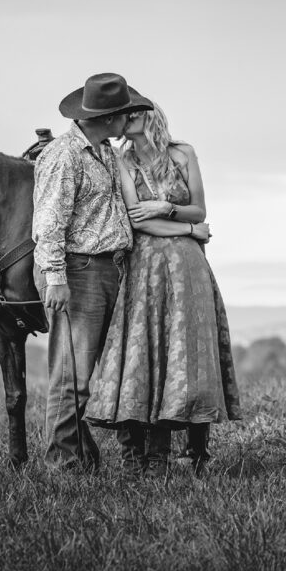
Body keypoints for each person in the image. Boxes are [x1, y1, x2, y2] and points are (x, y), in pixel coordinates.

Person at [86, 101, 241, 478]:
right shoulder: (123, 160)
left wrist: (164, 207)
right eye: (125, 115)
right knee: (144, 350)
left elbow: (199, 209)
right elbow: (137, 221)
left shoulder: (183, 153)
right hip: (146, 263)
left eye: (135, 113)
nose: (127, 119)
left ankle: (182, 450)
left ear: (150, 116)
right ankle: (140, 454)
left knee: (184, 352)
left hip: (188, 266)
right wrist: (187, 229)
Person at [32, 72, 153, 470]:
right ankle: (63, 466)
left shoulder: (103, 152)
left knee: (109, 369)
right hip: (79, 269)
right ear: (109, 118)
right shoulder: (64, 155)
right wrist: (55, 278)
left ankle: (104, 459)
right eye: (125, 113)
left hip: (108, 268)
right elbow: (49, 222)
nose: (129, 118)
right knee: (72, 375)